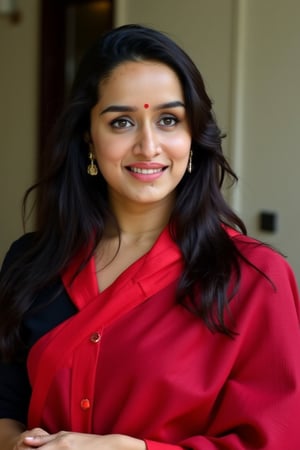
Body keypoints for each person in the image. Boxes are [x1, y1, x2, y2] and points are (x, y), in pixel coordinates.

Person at [0, 24, 299, 450]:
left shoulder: (253, 279)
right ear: (88, 135)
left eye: (168, 120)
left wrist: (128, 449)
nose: (148, 145)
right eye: (121, 122)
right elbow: (6, 405)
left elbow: (276, 441)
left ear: (193, 136)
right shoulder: (33, 260)